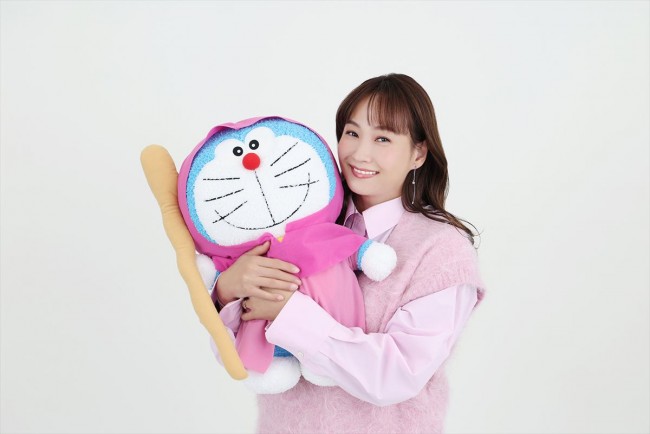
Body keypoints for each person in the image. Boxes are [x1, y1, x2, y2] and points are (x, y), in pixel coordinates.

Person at [212, 73, 485, 434]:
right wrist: (227, 292)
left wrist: (290, 315)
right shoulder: (290, 220)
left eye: (383, 138)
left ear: (418, 153)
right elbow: (236, 359)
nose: (360, 153)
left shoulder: (441, 250)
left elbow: (398, 375)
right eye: (352, 133)